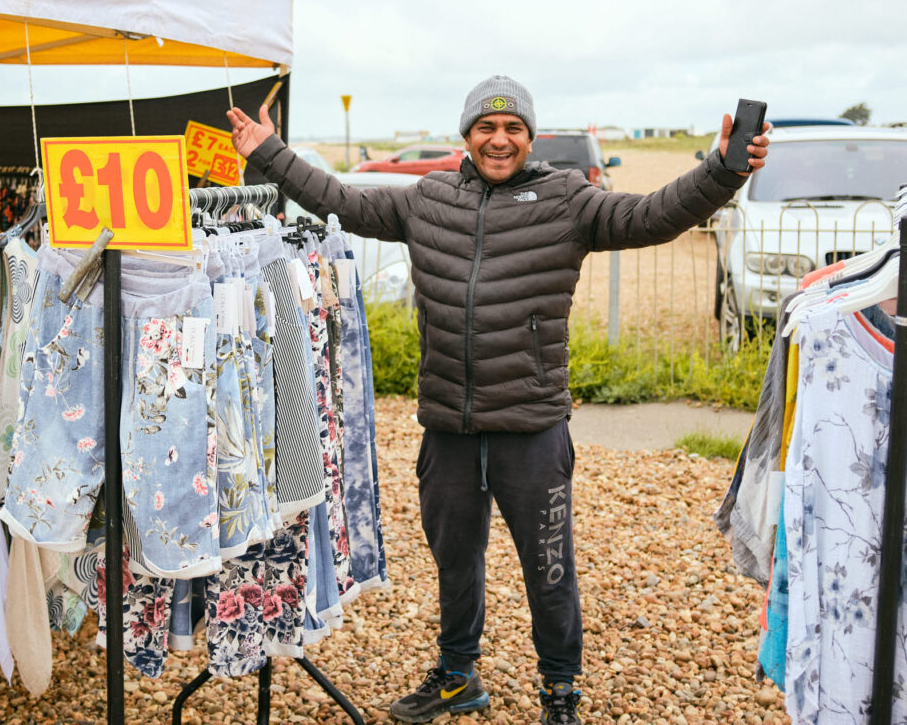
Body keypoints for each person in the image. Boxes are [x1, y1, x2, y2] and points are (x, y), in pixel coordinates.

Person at [227, 76, 769, 724]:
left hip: (531, 430)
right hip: (448, 430)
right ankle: (457, 676)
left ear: (531, 138)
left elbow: (653, 214)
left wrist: (721, 170)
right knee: (454, 564)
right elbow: (340, 198)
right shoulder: (426, 201)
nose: (499, 138)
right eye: (486, 127)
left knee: (549, 569)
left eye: (513, 127)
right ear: (467, 136)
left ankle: (560, 690)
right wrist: (269, 152)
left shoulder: (568, 200)